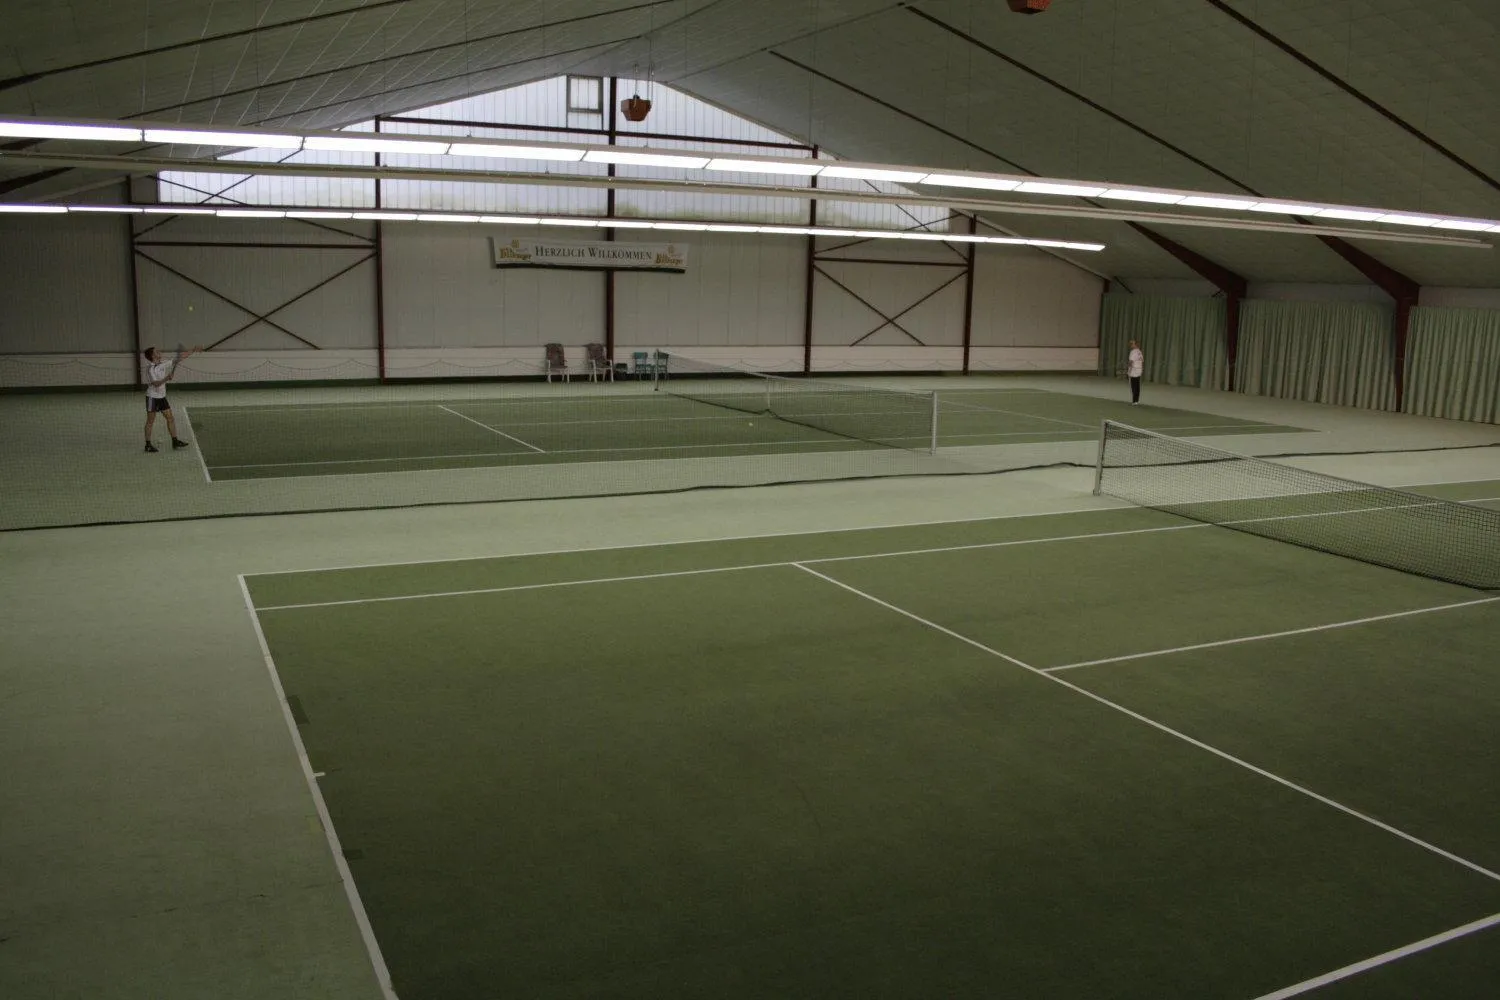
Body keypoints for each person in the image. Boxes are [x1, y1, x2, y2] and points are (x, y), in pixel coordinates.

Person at [141, 345, 200, 452]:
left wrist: (193, 350)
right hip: (152, 398)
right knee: (150, 421)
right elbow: (156, 384)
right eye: (156, 351)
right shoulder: (151, 368)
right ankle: (148, 445)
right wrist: (166, 378)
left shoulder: (162, 364)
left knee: (170, 418)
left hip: (162, 397)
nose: (159, 351)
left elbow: (179, 358)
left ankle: (175, 441)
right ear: (153, 355)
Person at [1126, 339, 1144, 405]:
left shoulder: (1133, 352)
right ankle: (1136, 400)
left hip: (1134, 370)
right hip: (1139, 370)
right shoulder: (1139, 351)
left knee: (1134, 386)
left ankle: (1134, 401)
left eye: (1132, 343)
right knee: (1137, 385)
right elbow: (1142, 361)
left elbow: (1131, 361)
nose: (1131, 345)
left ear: (1135, 344)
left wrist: (1128, 370)